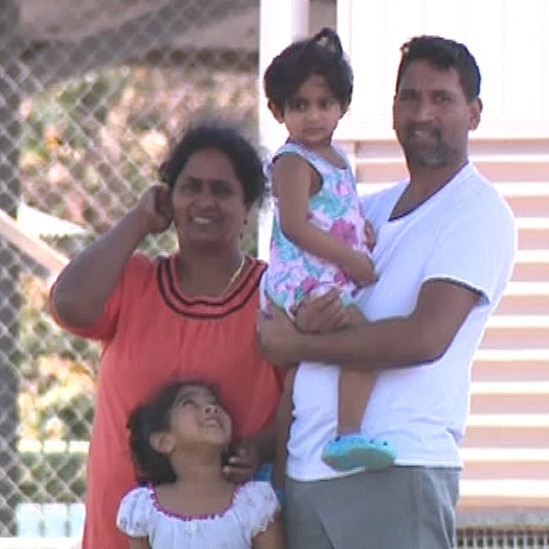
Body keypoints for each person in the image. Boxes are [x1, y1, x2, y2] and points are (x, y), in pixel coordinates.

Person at [257, 35, 517, 549]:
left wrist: (298, 344)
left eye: (441, 98)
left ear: (474, 113)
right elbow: (283, 305)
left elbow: (423, 339)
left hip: (398, 467)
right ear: (392, 110)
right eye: (409, 97)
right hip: (309, 470)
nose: (422, 113)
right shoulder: (364, 208)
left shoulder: (478, 212)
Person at [49, 121, 283, 548]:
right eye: (190, 187)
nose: (205, 201)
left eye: (223, 190)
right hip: (119, 527)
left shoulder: (274, 293)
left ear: (249, 206)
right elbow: (68, 304)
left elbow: (300, 400)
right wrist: (139, 220)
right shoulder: (135, 279)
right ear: (168, 198)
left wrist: (261, 447)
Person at [262, 26, 396, 486]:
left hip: (325, 273)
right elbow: (297, 225)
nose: (313, 116)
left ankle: (281, 470)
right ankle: (347, 433)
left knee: (298, 376)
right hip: (305, 278)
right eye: (299, 105)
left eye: (324, 104)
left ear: (342, 106)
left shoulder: (335, 157)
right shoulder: (294, 161)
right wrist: (353, 260)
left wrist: (363, 231)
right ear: (277, 110)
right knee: (364, 343)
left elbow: (334, 212)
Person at [116, 380, 284, 548]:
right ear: (164, 441)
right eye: (189, 404)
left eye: (215, 403)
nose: (212, 409)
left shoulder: (254, 504)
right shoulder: (144, 510)